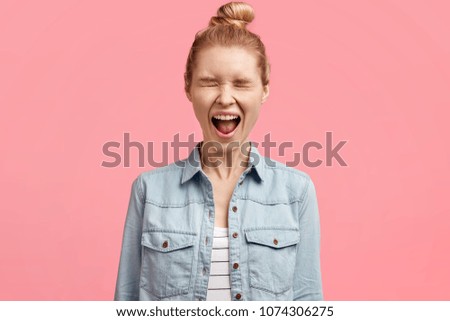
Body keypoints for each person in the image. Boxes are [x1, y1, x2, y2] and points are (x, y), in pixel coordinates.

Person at [114, 1, 323, 301]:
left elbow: (308, 303)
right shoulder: (148, 191)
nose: (226, 98)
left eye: (241, 83)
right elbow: (126, 305)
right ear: (188, 87)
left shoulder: (297, 192)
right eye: (210, 83)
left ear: (264, 89)